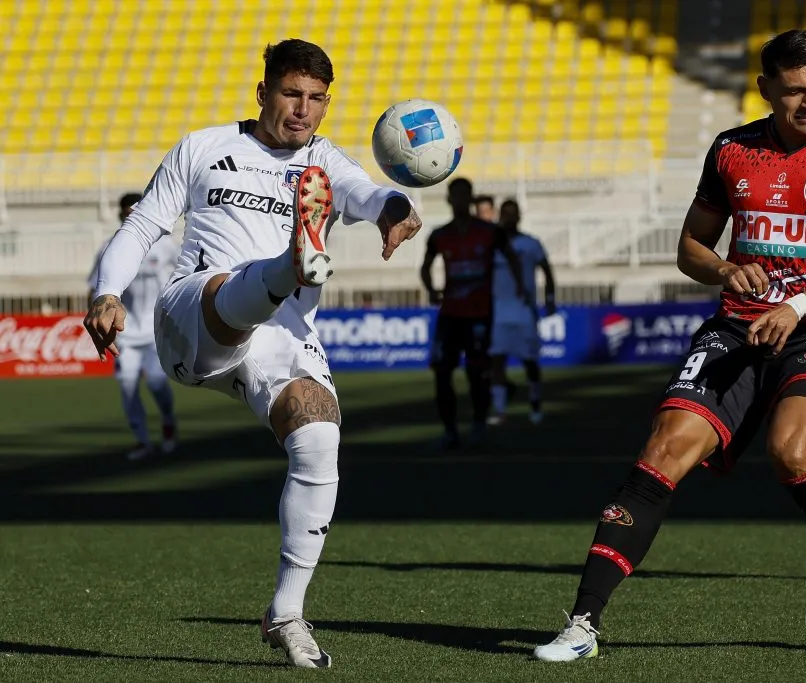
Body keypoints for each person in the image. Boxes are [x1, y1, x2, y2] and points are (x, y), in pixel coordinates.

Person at [533, 29, 806, 660]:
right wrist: (726, 270)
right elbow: (690, 248)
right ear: (764, 90)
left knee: (793, 451)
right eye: (792, 92)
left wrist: (798, 304)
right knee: (662, 451)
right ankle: (583, 622)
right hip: (736, 326)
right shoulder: (732, 149)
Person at [83, 39, 421, 668]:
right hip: (194, 314)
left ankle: (286, 613)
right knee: (234, 286)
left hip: (280, 338)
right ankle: (288, 263)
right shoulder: (204, 146)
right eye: (291, 94)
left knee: (319, 435)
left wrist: (396, 209)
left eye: (317, 98)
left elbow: (370, 194)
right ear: (263, 92)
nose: (303, 110)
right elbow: (140, 228)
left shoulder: (326, 161)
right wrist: (106, 292)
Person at [420, 178, 524, 449]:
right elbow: (426, 265)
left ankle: (478, 422)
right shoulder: (441, 235)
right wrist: (431, 288)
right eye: (455, 195)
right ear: (448, 199)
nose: (460, 200)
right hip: (450, 314)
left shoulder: (489, 232)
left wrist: (518, 287)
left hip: (480, 314)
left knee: (477, 373)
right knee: (442, 372)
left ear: (471, 198)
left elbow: (511, 256)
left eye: (465, 195)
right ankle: (450, 431)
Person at [87, 192, 180, 460]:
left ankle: (168, 420)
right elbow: (96, 288)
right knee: (127, 385)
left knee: (157, 383)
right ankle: (142, 440)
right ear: (120, 216)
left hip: (157, 331)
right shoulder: (110, 248)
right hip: (125, 332)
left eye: (134, 213)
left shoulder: (166, 247)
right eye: (126, 214)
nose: (130, 218)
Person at [487, 199, 556, 425]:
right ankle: (500, 410)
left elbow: (547, 270)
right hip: (497, 312)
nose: (509, 217)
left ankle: (535, 405)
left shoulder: (531, 244)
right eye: (505, 213)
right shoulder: (492, 245)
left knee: (530, 361)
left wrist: (550, 298)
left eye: (513, 213)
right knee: (496, 362)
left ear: (519, 216)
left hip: (525, 310)